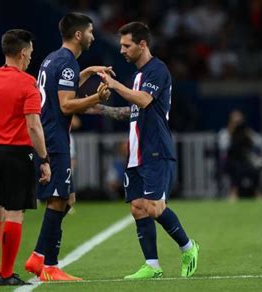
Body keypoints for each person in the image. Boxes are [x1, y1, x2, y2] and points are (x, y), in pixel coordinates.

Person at [90, 22, 199, 279]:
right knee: (138, 207)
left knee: (153, 206)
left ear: (142, 44)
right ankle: (152, 265)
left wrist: (115, 86)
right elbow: (134, 111)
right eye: (120, 46)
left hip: (155, 150)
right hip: (136, 152)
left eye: (126, 46)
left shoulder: (157, 70)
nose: (122, 51)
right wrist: (97, 107)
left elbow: (144, 100)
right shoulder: (137, 77)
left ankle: (188, 247)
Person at [24, 12, 112, 282]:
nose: (93, 36)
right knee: (59, 199)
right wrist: (95, 98)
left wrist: (88, 71)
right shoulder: (67, 63)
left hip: (49, 132)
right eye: (90, 31)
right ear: (78, 35)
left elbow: (59, 90)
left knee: (66, 198)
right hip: (54, 137)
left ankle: (48, 262)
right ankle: (43, 260)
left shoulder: (53, 58)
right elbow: (65, 104)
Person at [0, 29, 51, 286]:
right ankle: (7, 273)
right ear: (22, 53)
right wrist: (44, 158)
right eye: (29, 51)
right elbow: (33, 125)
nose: (30, 56)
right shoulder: (27, 83)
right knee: (15, 213)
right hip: (18, 153)